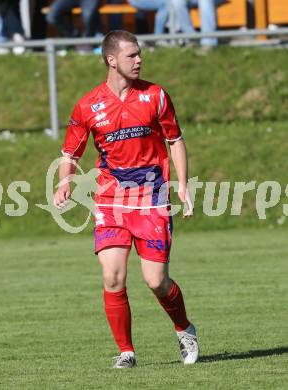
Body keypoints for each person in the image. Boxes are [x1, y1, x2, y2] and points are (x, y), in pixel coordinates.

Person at [53, 30, 198, 369]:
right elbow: (69, 153)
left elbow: (174, 140)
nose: (139, 60)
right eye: (132, 55)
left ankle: (184, 328)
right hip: (111, 200)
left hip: (151, 198)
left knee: (156, 281)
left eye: (139, 54)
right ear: (111, 60)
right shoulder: (88, 105)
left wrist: (182, 185)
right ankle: (126, 352)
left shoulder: (156, 96)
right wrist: (65, 184)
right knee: (112, 276)